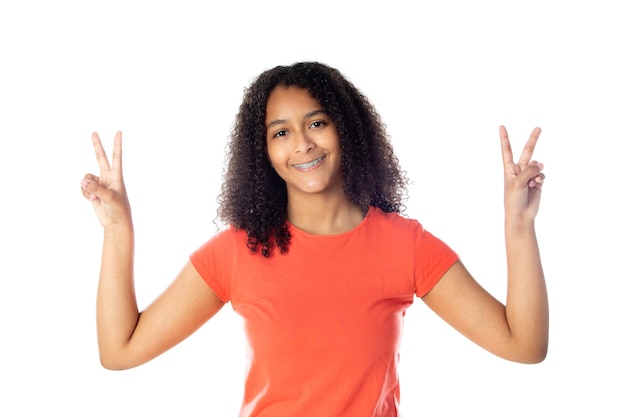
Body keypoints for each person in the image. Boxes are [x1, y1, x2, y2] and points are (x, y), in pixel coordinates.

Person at [80, 62, 548, 417]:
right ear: (263, 151)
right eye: (280, 132)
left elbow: (524, 345)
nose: (301, 143)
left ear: (346, 130)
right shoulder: (238, 251)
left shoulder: (405, 244)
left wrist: (519, 226)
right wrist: (118, 231)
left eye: (317, 123)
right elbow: (120, 351)